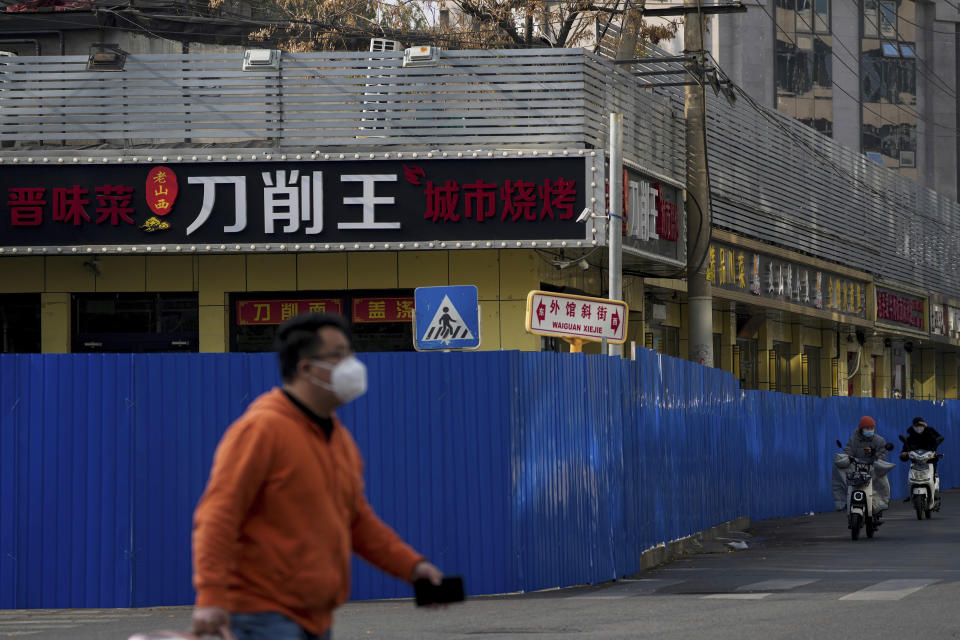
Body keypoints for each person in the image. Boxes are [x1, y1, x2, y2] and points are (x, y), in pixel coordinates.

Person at [191, 313, 443, 640]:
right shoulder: (262, 430)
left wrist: (412, 567)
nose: (350, 364)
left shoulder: (338, 439)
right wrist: (210, 597)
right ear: (306, 368)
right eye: (337, 355)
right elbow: (217, 516)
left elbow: (356, 521)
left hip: (315, 619)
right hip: (261, 616)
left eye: (349, 353)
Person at [841, 416, 891, 518]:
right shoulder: (854, 439)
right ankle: (846, 501)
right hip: (857, 468)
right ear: (861, 429)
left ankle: (880, 505)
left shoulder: (879, 440)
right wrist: (846, 458)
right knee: (846, 480)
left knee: (883, 482)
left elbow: (883, 455)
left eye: (871, 428)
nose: (870, 430)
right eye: (867, 428)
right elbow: (848, 450)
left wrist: (874, 454)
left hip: (873, 468)